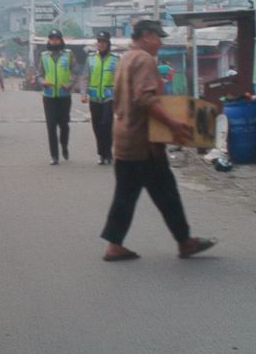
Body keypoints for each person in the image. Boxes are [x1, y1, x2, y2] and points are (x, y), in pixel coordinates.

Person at [100, 19, 216, 262]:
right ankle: (184, 242)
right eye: (157, 37)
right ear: (145, 36)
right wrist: (173, 125)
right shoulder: (143, 60)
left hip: (124, 138)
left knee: (128, 194)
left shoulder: (125, 59)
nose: (160, 43)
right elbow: (146, 99)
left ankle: (115, 245)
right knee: (165, 193)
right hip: (144, 144)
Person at [40, 28, 78, 164]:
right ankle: (54, 156)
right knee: (51, 126)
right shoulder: (44, 55)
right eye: (52, 38)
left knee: (64, 125)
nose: (54, 41)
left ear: (61, 40)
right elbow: (40, 74)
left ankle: (64, 145)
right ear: (49, 40)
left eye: (56, 38)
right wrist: (42, 82)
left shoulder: (69, 55)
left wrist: (70, 84)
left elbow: (75, 71)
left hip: (64, 96)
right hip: (49, 96)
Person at [82, 30, 119, 165]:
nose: (101, 44)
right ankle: (101, 154)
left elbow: (119, 79)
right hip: (94, 98)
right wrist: (83, 94)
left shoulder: (115, 59)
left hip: (109, 98)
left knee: (106, 124)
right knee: (97, 126)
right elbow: (85, 77)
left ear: (108, 44)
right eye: (99, 42)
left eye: (104, 42)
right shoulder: (91, 59)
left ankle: (108, 152)